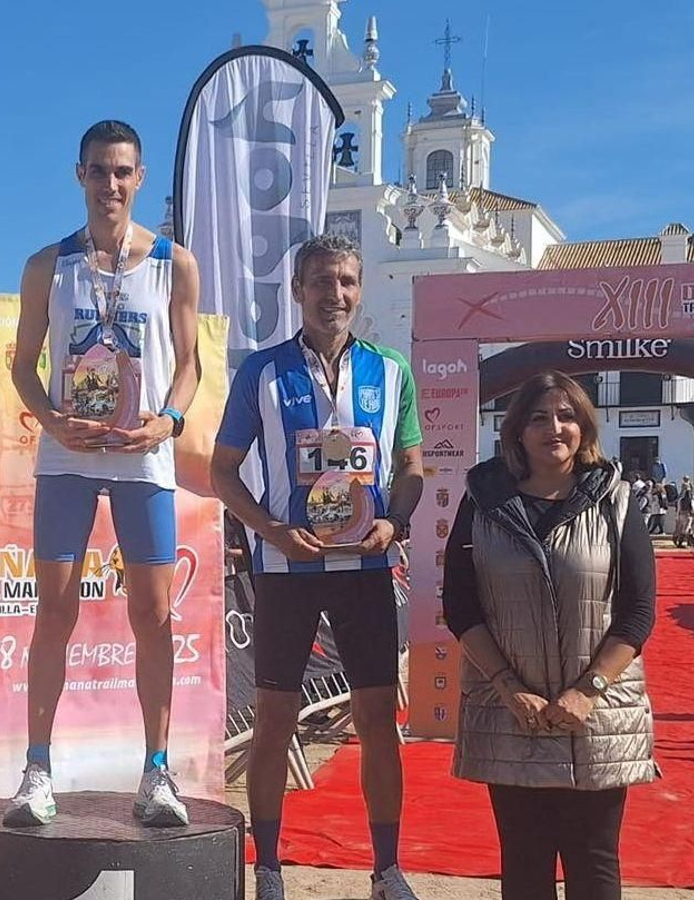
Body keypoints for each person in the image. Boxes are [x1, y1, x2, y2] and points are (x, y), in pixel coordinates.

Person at [210, 232, 425, 900]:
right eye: (322, 282)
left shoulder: (391, 369)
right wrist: (271, 528)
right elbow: (222, 472)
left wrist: (396, 520)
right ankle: (268, 868)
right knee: (273, 720)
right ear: (298, 290)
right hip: (286, 569)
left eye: (347, 283)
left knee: (377, 719)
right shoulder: (262, 373)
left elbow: (412, 466)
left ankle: (386, 870)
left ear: (360, 290)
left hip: (366, 568)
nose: (335, 295)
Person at [3, 119, 202, 830]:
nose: (110, 184)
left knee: (152, 614)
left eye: (123, 172)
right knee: (53, 612)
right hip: (68, 461)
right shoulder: (46, 266)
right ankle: (36, 770)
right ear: (79, 175)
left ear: (140, 177)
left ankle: (156, 770)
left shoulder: (173, 263)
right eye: (98, 171)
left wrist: (168, 423)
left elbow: (190, 365)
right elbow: (22, 365)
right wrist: (50, 419)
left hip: (143, 459)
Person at [441, 371, 656, 900]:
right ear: (516, 431)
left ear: (584, 427)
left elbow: (638, 610)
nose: (553, 428)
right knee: (524, 863)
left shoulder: (616, 500)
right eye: (538, 416)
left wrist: (590, 691)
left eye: (566, 416)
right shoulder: (482, 500)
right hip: (514, 712)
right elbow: (460, 604)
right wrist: (507, 685)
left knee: (594, 863)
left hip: (599, 717)